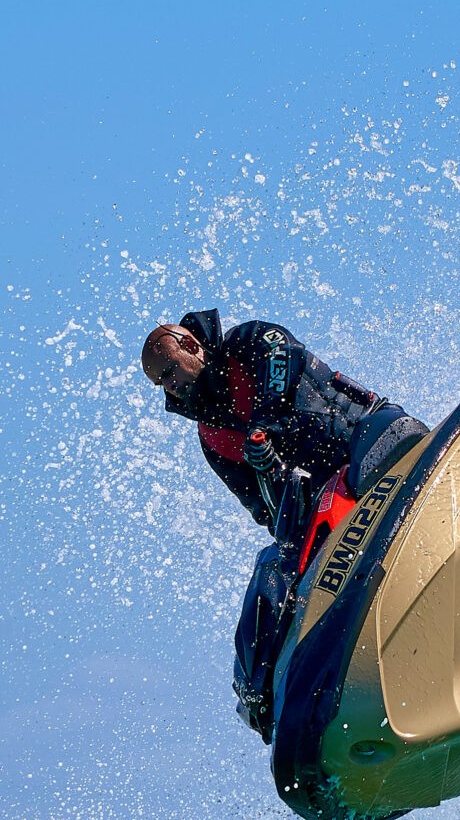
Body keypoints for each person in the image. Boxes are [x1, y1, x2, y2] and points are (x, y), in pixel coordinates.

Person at [141, 312, 428, 739]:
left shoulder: (251, 340)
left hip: (366, 438)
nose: (169, 386)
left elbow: (284, 366)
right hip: (324, 502)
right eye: (159, 383)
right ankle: (269, 698)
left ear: (191, 347)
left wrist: (266, 430)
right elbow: (265, 512)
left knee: (391, 437)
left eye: (168, 371)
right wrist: (271, 474)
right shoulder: (212, 438)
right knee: (274, 569)